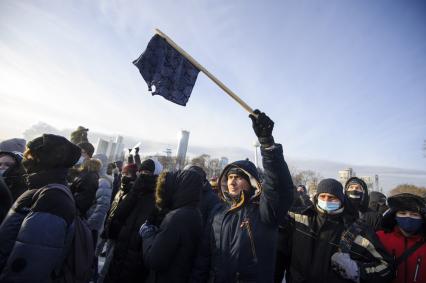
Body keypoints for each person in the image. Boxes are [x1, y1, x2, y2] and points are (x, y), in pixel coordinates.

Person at [191, 110, 294, 283]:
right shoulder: (217, 211)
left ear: (251, 182)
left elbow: (278, 187)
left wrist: (268, 145)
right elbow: (203, 258)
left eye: (238, 177)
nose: (232, 182)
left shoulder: (265, 212)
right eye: (230, 177)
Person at [0, 134, 81, 282]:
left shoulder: (52, 198)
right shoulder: (41, 188)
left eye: (30, 158)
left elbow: (27, 266)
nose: (25, 162)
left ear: (44, 160)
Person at [283, 178, 394, 283]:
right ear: (317, 197)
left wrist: (357, 270)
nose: (326, 201)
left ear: (341, 200)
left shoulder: (358, 230)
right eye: (323, 196)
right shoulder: (300, 218)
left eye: (332, 198)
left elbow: (387, 267)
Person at [104, 158, 163, 283]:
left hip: (137, 255)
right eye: (142, 172)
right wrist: (134, 191)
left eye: (148, 173)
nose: (143, 176)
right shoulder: (134, 190)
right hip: (121, 248)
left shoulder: (159, 198)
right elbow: (119, 214)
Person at [139, 169, 203, 283]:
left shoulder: (176, 217)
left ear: (181, 186)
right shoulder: (196, 213)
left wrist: (147, 234)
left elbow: (154, 260)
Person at [377, 193, 426, 283]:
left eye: (414, 214)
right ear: (395, 216)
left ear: (422, 219)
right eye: (403, 213)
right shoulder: (379, 238)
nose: (408, 217)